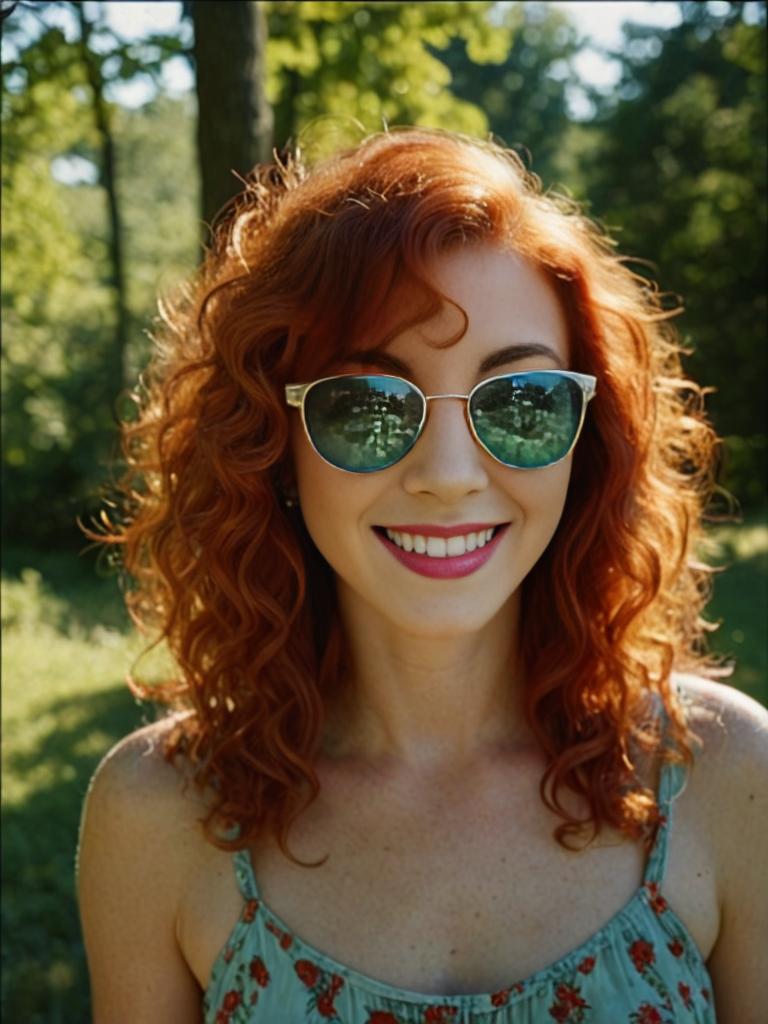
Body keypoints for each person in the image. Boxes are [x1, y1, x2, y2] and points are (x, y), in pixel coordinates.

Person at [77, 126, 767, 1023]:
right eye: (367, 404)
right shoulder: (158, 815)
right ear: (272, 447)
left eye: (519, 402)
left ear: (587, 446)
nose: (449, 471)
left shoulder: (726, 777)